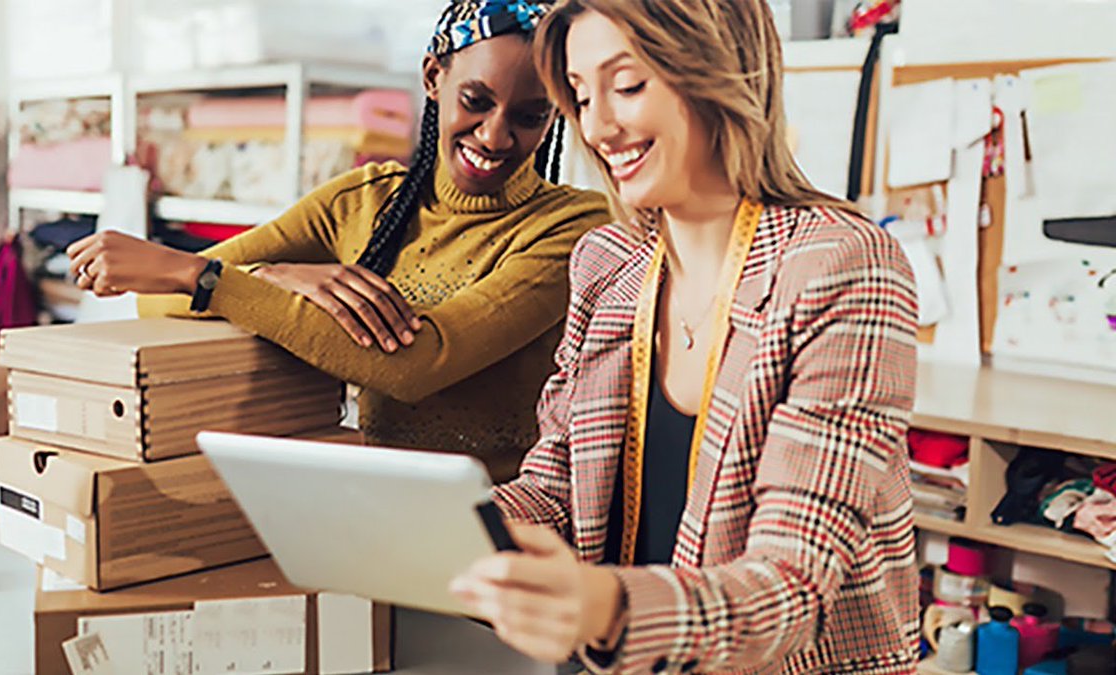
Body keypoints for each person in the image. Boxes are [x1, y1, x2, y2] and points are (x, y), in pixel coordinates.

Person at [449, 1, 920, 672]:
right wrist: (436, 528)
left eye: (627, 85)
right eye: (582, 96)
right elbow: (556, 491)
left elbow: (790, 588)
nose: (598, 127)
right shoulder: (607, 264)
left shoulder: (840, 265)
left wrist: (605, 607)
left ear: (716, 70)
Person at [64, 0, 610, 482]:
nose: (494, 135)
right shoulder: (363, 200)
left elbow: (417, 363)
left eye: (529, 116)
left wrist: (204, 277)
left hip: (499, 524)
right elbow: (158, 297)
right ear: (433, 77)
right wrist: (268, 276)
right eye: (476, 100)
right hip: (363, 499)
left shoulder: (571, 228)